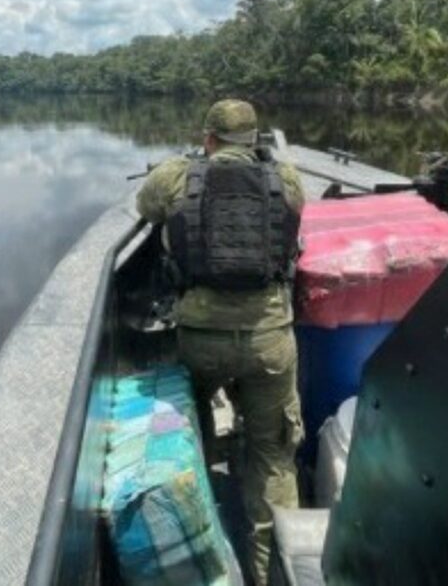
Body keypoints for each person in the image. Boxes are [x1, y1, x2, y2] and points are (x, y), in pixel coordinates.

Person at [135, 99, 305, 585]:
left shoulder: (174, 175)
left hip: (199, 337)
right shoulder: (287, 179)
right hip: (269, 337)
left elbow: (145, 208)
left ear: (208, 138)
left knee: (192, 436)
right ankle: (272, 572)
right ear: (254, 140)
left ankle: (204, 551)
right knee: (273, 456)